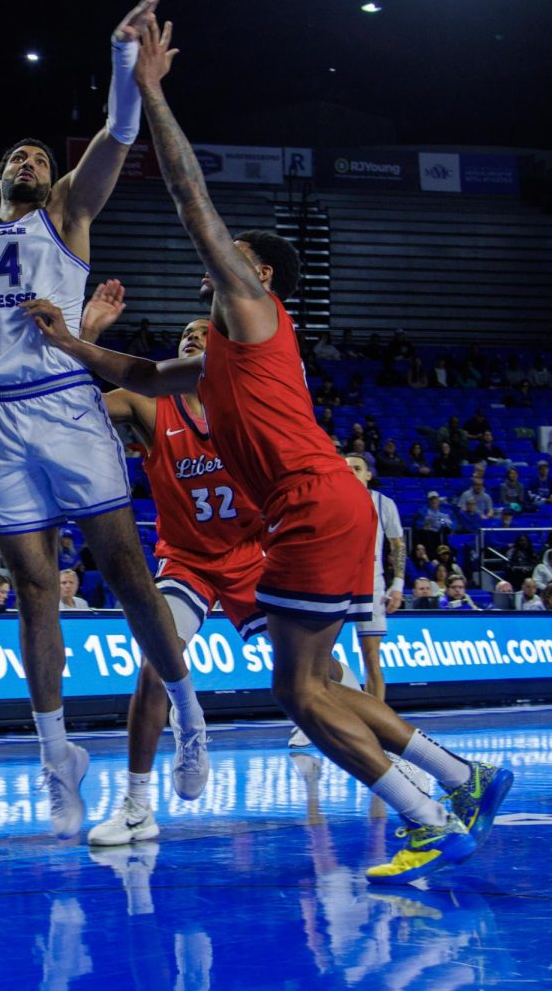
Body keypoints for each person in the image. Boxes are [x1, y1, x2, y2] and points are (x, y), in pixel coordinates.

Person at [23, 16, 512, 884]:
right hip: (314, 511)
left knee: (298, 693)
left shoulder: (250, 311)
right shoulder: (209, 365)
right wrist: (70, 343)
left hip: (307, 510)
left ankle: (430, 817)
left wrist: (153, 95)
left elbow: (189, 199)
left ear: (262, 276)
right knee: (316, 682)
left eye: (236, 257)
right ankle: (461, 775)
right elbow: (138, 369)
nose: (218, 262)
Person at [0, 0, 207, 836]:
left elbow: (119, 131)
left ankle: (185, 711)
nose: (28, 161)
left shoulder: (67, 213)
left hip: (66, 407)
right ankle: (55, 756)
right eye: (18, 156)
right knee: (35, 589)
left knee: (124, 572)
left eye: (39, 154)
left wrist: (120, 54)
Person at [78, 284, 361, 841]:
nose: (191, 337)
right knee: (155, 665)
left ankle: (375, 738)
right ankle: (136, 804)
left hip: (252, 555)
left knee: (318, 673)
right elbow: (74, 408)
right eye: (185, 335)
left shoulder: (254, 405)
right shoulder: (151, 404)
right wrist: (87, 338)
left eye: (202, 334)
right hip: (186, 559)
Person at [342, 454, 405, 701]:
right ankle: (321, 712)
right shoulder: (330, 501)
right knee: (316, 656)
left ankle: (377, 719)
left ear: (369, 474)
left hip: (372, 584)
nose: (352, 472)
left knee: (371, 658)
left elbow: (397, 545)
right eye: (346, 468)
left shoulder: (383, 503)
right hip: (334, 583)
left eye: (357, 468)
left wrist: (397, 585)